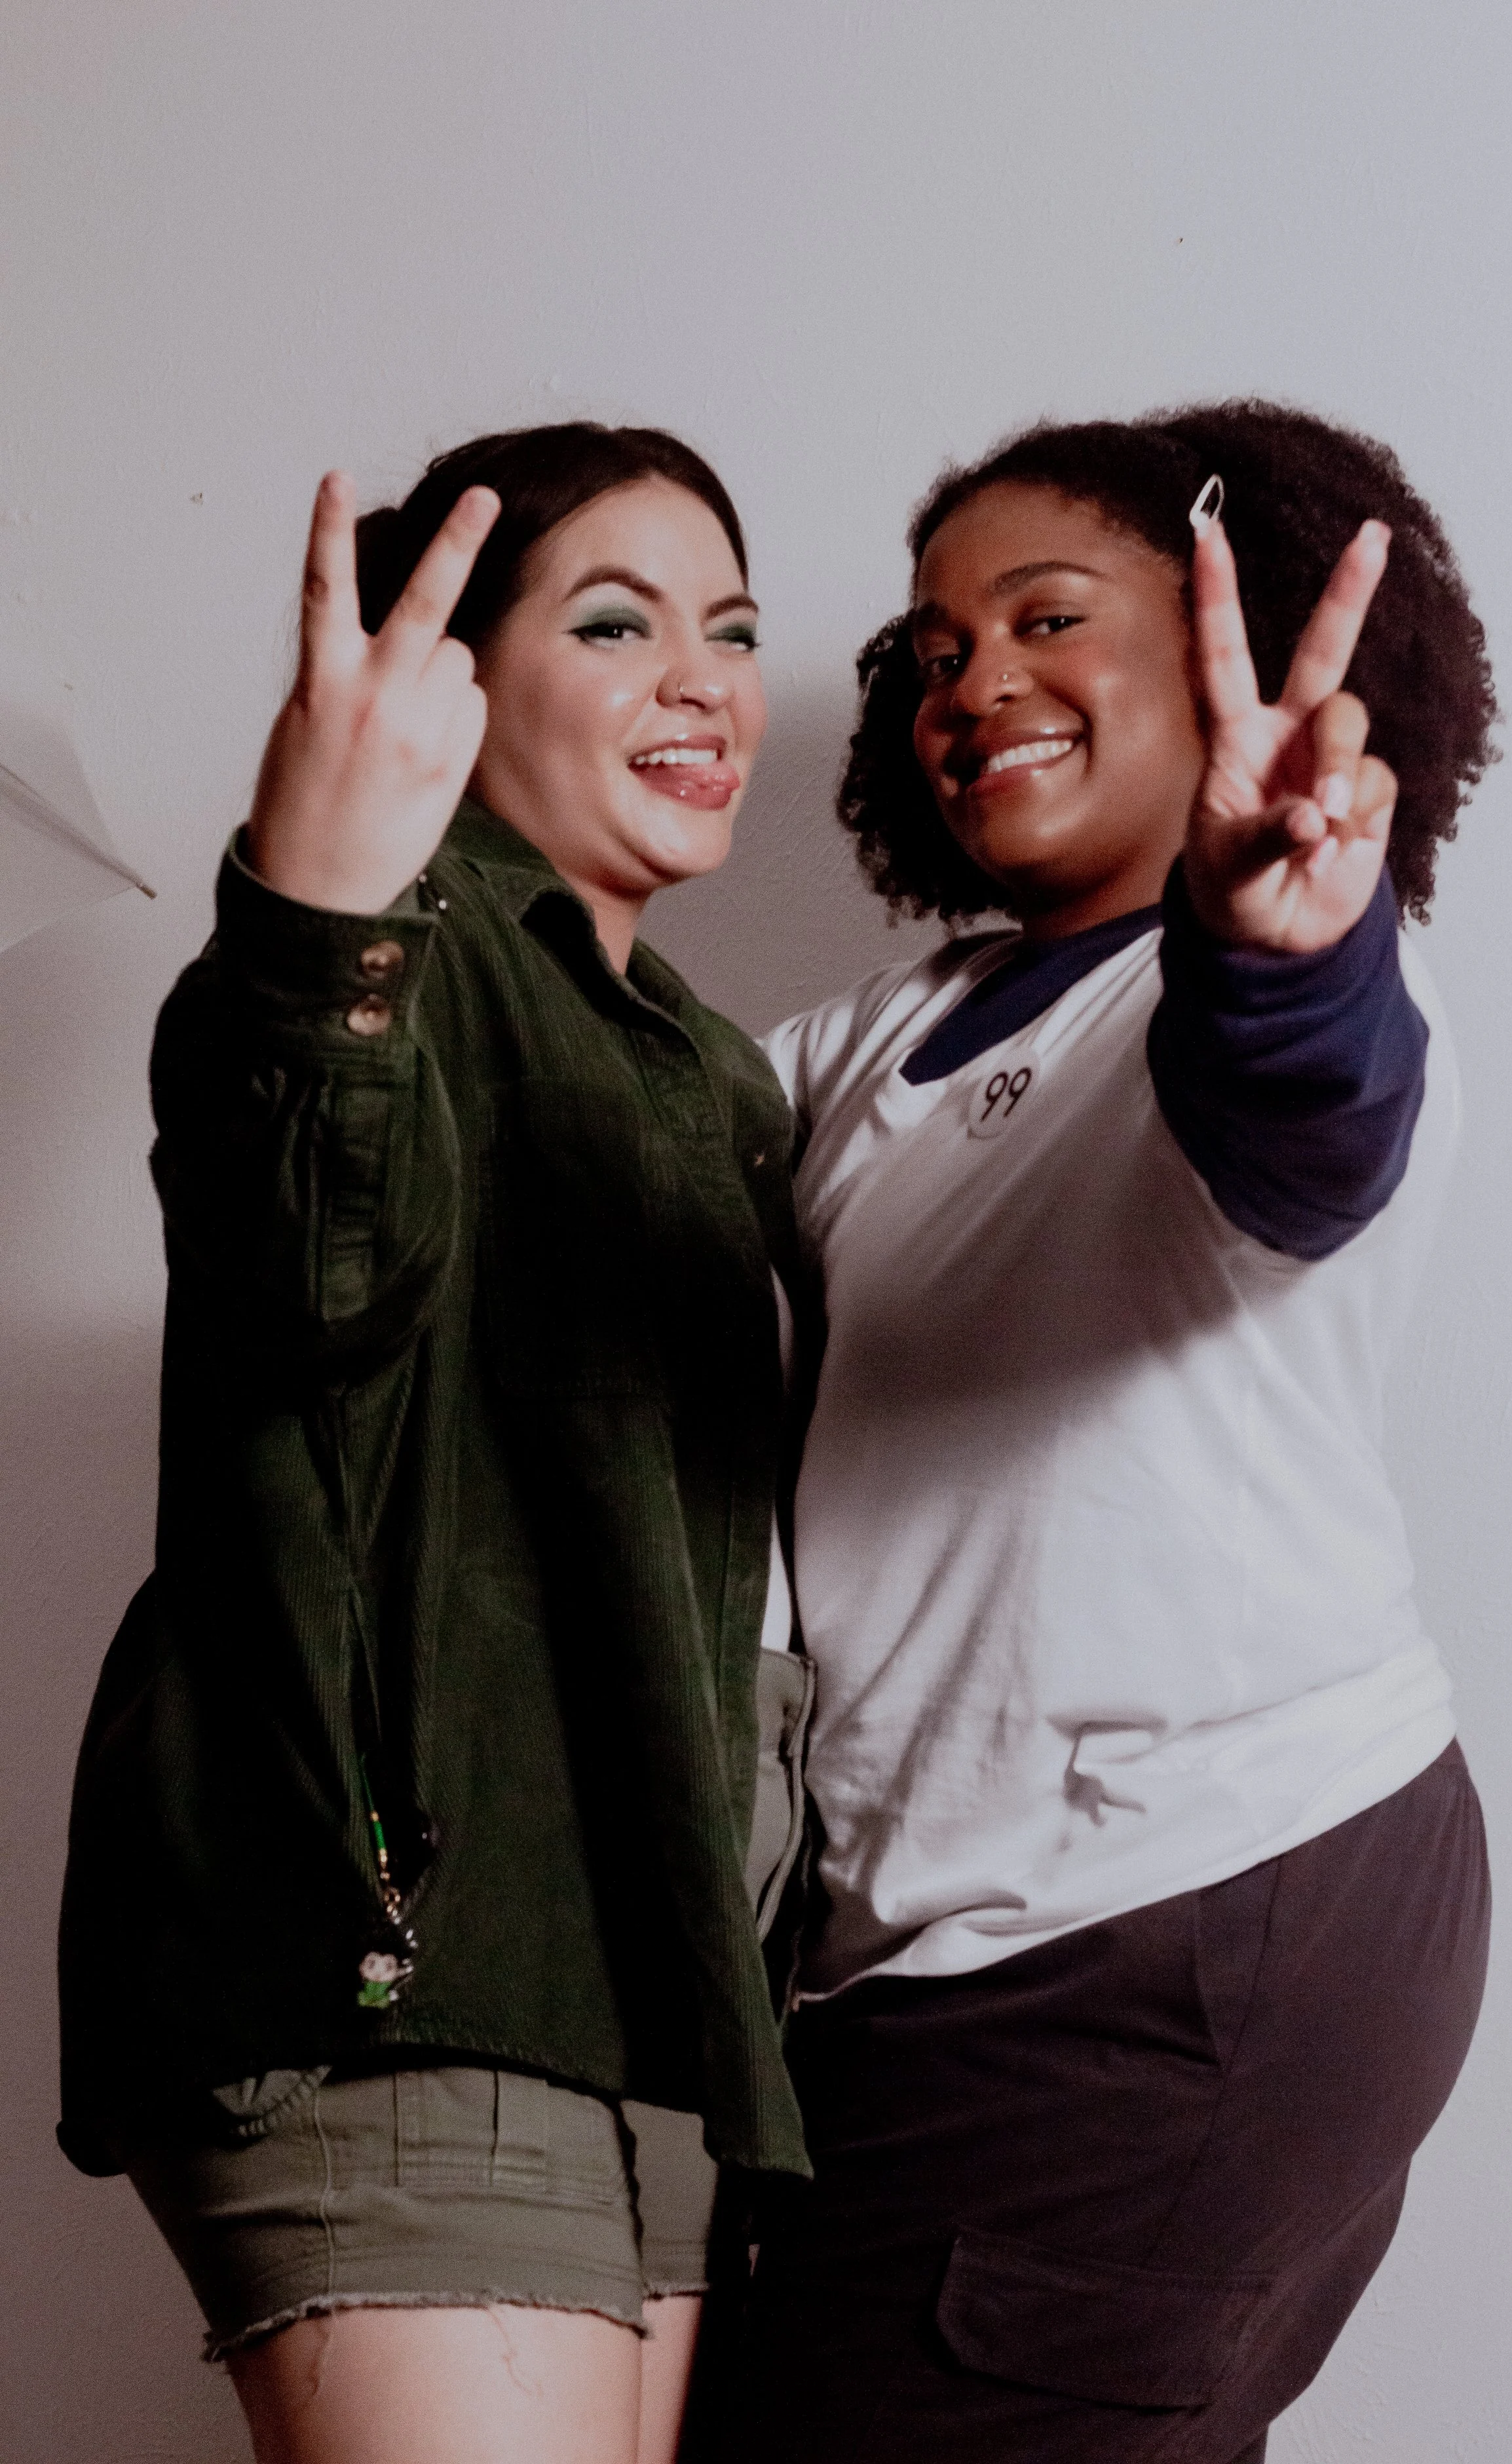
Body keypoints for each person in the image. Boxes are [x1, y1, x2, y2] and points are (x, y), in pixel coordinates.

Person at [723, 404, 1498, 2463]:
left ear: (1226, 649)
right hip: (951, 1960)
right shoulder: (878, 1035)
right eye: (930, 650)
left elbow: (1301, 1110)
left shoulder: (1246, 985)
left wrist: (1277, 943)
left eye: (1043, 616)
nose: (972, 681)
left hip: (1175, 1920)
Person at [56, 421, 813, 2464]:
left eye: (731, 629)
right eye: (616, 620)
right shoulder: (406, 951)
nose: (704, 680)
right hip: (406, 1980)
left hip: (642, 2006)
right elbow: (305, 1267)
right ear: (454, 680)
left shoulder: (710, 1072)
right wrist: (317, 913)